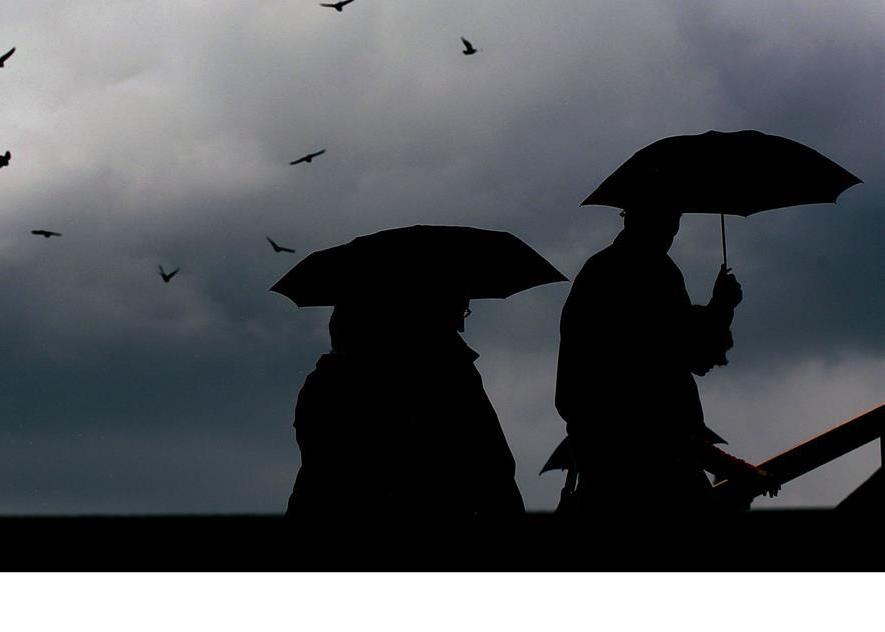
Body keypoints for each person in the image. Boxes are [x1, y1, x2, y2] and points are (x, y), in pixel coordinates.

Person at [554, 203, 778, 515]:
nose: (673, 232)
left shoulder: (600, 272)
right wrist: (722, 306)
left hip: (605, 473)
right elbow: (686, 359)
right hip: (657, 477)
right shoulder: (653, 273)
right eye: (672, 221)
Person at [286, 290, 524, 541]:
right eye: (459, 309)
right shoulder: (448, 377)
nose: (462, 322)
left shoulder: (325, 382)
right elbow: (494, 471)